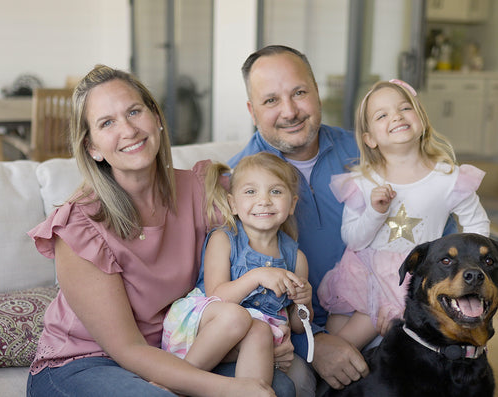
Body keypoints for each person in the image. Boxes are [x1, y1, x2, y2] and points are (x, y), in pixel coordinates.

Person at [25, 65, 292, 397]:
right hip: (85, 362)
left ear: (156, 118)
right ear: (92, 147)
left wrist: (270, 334)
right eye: (106, 123)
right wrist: (230, 389)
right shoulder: (80, 226)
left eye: (134, 111)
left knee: (280, 386)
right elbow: (127, 348)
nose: (128, 130)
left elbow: (265, 214)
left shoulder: (200, 189)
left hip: (175, 346)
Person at [229, 45, 369, 395]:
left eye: (300, 93)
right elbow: (229, 295)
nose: (290, 111)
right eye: (271, 100)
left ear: (317, 93)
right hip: (290, 340)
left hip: (378, 316)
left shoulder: (368, 153)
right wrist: (313, 343)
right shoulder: (235, 185)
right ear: (252, 110)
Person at [317, 79, 491, 350]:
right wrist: (376, 212)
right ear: (370, 139)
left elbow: (476, 221)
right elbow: (353, 239)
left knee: (352, 346)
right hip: (361, 277)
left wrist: (470, 262)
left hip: (410, 281)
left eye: (404, 108)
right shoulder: (362, 181)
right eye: (382, 115)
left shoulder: (447, 178)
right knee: (335, 332)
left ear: (421, 118)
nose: (396, 116)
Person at [162, 152, 313, 390]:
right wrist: (257, 276)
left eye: (275, 191)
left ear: (292, 203)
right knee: (237, 316)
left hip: (251, 339)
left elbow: (296, 323)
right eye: (251, 192)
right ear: (233, 203)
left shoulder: (296, 258)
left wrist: (305, 302)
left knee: (261, 330)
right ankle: (177, 384)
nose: (264, 200)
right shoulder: (224, 239)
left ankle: (250, 391)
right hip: (206, 327)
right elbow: (218, 296)